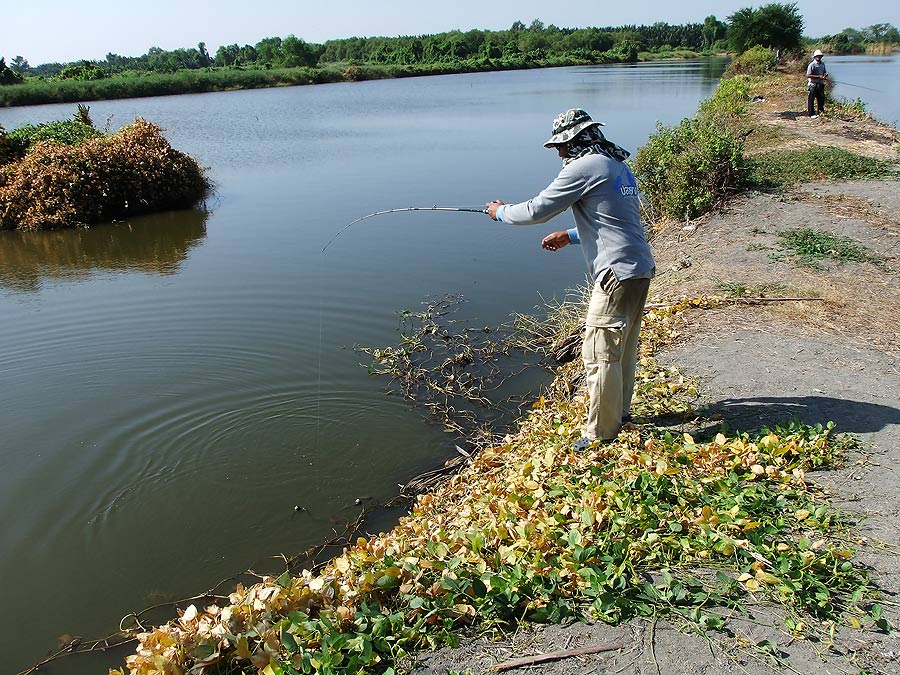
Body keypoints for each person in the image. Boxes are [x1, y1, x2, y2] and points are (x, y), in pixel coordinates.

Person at [485, 108, 655, 448]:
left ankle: (602, 433)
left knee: (598, 353)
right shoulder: (616, 166)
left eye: (560, 146)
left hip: (616, 275)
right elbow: (617, 222)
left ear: (573, 140)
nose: (559, 153)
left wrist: (499, 212)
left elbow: (537, 209)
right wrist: (572, 235)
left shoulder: (585, 166)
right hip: (639, 268)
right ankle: (619, 413)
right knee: (624, 350)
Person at [806, 49, 827, 118]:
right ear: (814, 57)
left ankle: (820, 112)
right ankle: (811, 113)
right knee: (811, 99)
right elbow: (808, 75)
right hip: (813, 84)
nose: (818, 57)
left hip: (820, 84)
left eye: (820, 56)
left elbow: (824, 72)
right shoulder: (812, 64)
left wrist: (824, 75)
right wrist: (818, 76)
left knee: (821, 99)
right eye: (817, 56)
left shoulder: (823, 64)